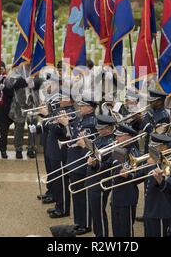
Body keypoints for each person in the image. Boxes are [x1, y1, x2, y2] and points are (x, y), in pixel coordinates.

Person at [57, 96, 97, 235]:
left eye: (83, 106)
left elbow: (79, 140)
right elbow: (72, 137)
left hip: (81, 161)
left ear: (91, 107)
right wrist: (67, 125)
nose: (80, 107)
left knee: (82, 195)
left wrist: (67, 125)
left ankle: (85, 224)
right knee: (76, 195)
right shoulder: (81, 118)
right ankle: (78, 221)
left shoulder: (91, 123)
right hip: (74, 159)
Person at [84, 115, 116, 237]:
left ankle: (102, 236)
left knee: (99, 212)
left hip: (100, 180)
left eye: (101, 128)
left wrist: (95, 163)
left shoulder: (111, 142)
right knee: (95, 211)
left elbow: (106, 165)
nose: (98, 130)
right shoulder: (100, 138)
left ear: (108, 128)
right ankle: (98, 234)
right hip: (92, 178)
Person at [5, 64, 43, 159]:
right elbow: (9, 82)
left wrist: (34, 83)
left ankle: (31, 148)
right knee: (19, 126)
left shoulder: (36, 64)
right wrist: (24, 81)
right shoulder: (17, 66)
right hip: (19, 102)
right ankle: (18, 149)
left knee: (32, 126)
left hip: (33, 101)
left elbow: (43, 80)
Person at [109, 124, 140, 237]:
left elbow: (140, 174)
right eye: (116, 136)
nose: (116, 139)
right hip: (116, 196)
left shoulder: (134, 153)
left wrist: (129, 175)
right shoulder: (119, 149)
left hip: (127, 197)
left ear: (128, 137)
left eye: (119, 136)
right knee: (116, 230)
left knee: (125, 232)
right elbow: (110, 166)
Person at [142, 134, 171, 237]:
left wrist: (154, 163)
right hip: (150, 208)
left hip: (161, 210)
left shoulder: (170, 162)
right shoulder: (152, 160)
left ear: (163, 147)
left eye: (154, 147)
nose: (151, 150)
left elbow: (166, 182)